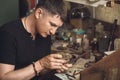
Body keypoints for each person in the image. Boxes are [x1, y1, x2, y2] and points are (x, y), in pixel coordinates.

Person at [0, 0, 72, 80]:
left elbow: (39, 71)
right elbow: (4, 77)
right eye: (52, 24)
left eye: (57, 27)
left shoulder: (44, 33)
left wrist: (52, 66)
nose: (53, 32)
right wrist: (40, 64)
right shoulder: (8, 34)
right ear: (38, 13)